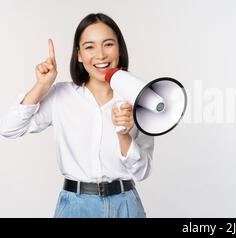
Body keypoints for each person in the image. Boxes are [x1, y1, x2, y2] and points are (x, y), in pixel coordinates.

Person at [0, 13, 153, 218]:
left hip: (125, 206)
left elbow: (142, 172)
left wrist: (124, 135)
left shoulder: (140, 99)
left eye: (108, 44)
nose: (100, 55)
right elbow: (9, 128)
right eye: (90, 47)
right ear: (79, 54)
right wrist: (42, 85)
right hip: (75, 207)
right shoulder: (61, 96)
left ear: (119, 49)